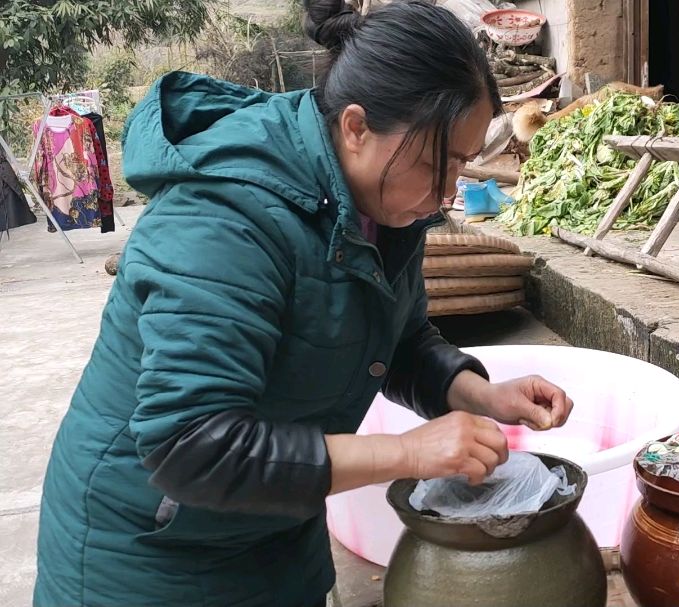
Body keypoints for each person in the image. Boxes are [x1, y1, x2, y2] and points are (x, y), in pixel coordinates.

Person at [33, 2, 574, 605]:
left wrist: (485, 395)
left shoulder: (382, 205)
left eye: (462, 166)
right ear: (355, 127)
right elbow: (189, 446)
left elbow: (397, 341)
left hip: (274, 525)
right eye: (435, 164)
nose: (448, 194)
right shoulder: (224, 218)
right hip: (146, 553)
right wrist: (405, 453)